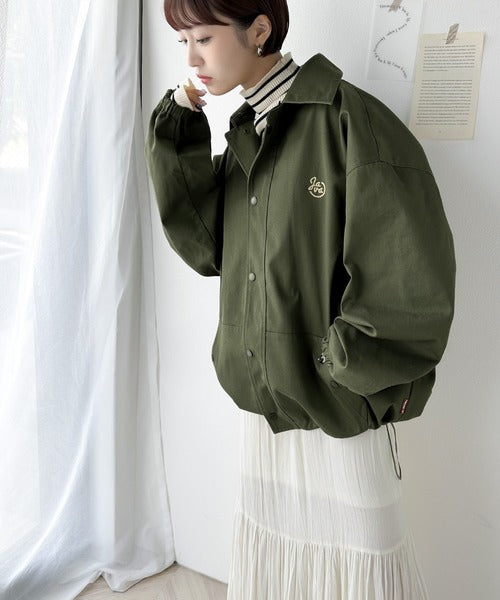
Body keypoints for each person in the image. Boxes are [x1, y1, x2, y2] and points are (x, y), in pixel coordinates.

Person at [145, 1, 456, 598]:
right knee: (279, 558)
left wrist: (336, 367)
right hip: (266, 406)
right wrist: (178, 131)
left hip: (335, 403)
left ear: (259, 30)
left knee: (363, 561)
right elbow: (208, 246)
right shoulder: (248, 134)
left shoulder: (348, 119)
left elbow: (408, 272)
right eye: (184, 42)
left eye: (203, 38)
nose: (192, 60)